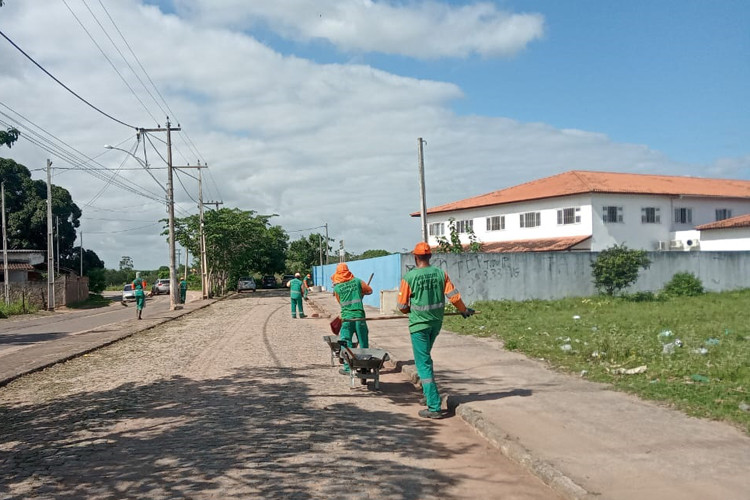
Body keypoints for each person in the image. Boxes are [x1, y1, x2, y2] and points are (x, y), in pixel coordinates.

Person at [398, 242, 475, 419]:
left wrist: (411, 311)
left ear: (415, 258)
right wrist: (464, 310)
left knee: (423, 364)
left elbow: (402, 306)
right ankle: (428, 395)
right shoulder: (441, 274)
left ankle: (434, 406)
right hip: (436, 324)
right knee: (426, 359)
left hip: (418, 326)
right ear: (430, 256)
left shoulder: (409, 277)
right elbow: (454, 296)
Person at [332, 263, 373, 375]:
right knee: (363, 341)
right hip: (359, 317)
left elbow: (341, 302)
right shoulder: (358, 281)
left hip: (346, 319)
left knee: (346, 342)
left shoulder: (337, 288)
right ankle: (366, 366)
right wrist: (360, 293)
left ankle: (347, 368)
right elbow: (369, 290)